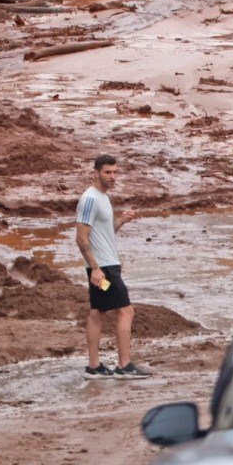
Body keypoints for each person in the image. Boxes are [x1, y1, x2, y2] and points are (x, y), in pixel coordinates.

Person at [75, 154, 148, 378]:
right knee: (126, 310)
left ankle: (94, 367)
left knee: (98, 312)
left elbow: (104, 235)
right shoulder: (90, 199)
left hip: (105, 265)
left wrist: (121, 222)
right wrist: (95, 268)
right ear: (95, 173)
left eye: (115, 172)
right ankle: (124, 366)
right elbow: (81, 237)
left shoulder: (103, 198)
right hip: (104, 269)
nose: (113, 176)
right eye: (108, 172)